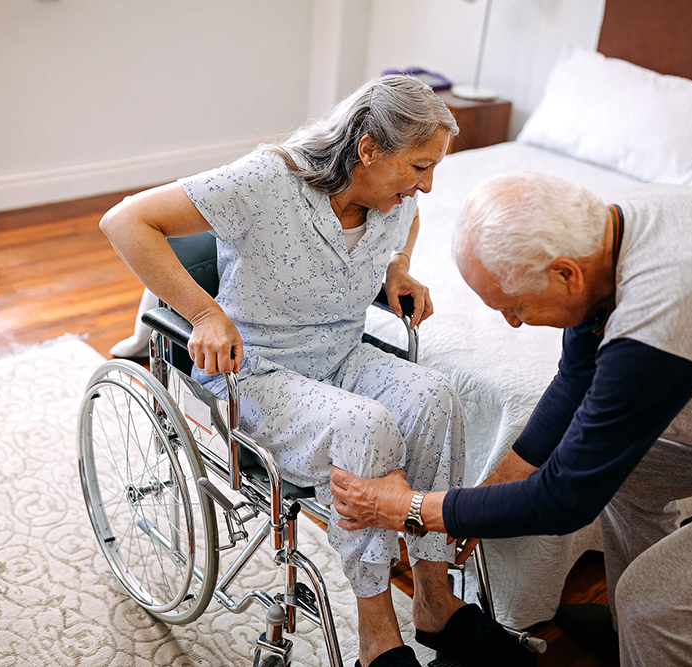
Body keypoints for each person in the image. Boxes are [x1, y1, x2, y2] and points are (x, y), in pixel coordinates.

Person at [100, 76, 529, 667]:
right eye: (419, 167)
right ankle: (377, 632)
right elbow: (124, 221)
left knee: (436, 395)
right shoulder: (267, 181)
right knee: (368, 426)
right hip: (256, 374)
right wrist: (204, 312)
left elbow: (407, 223)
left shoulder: (391, 199)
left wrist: (396, 269)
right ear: (369, 149)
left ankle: (435, 599)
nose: (427, 186)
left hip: (341, 356)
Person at [330, 171, 692, 666]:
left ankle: (649, 627)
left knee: (655, 604)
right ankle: (633, 639)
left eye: (514, 307)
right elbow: (577, 377)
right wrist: (497, 484)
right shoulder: (603, 233)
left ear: (566, 275)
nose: (513, 322)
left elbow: (566, 498)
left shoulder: (662, 312)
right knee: (630, 473)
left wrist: (408, 508)